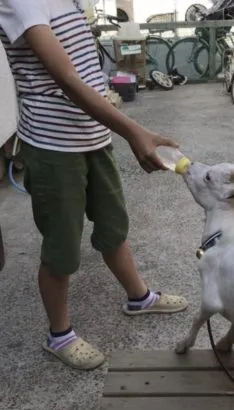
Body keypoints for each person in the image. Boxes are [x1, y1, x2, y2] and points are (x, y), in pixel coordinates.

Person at [0, 0, 188, 370]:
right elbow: (66, 77)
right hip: (54, 147)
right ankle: (60, 335)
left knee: (114, 226)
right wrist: (134, 131)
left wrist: (115, 128)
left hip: (94, 138)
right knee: (62, 247)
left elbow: (87, 72)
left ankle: (139, 297)